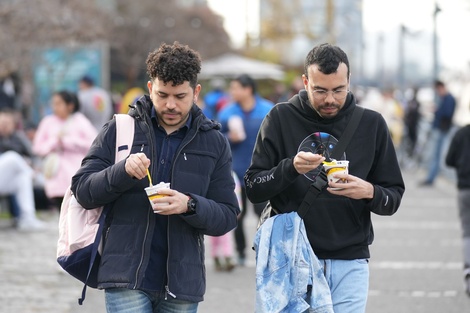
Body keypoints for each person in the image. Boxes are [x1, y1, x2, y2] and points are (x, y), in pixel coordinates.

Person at [71, 42, 239, 313]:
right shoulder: (120, 129)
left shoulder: (214, 142)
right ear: (150, 88)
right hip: (125, 277)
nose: (170, 104)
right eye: (162, 95)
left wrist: (189, 205)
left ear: (195, 92)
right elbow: (82, 191)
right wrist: (122, 171)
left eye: (180, 96)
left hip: (183, 284)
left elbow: (228, 215)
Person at [245, 43, 405, 312]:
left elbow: (394, 197)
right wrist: (290, 168)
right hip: (292, 257)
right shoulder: (280, 117)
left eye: (338, 90)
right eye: (320, 90)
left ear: (349, 82)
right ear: (305, 82)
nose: (330, 99)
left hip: (350, 260)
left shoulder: (372, 124)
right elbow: (253, 188)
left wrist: (369, 191)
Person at [217, 74, 273, 266]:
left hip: (262, 173)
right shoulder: (226, 112)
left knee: (264, 215)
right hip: (235, 172)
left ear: (248, 89)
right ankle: (240, 252)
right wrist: (228, 137)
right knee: (237, 215)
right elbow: (215, 139)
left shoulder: (268, 110)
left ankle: (264, 251)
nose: (232, 92)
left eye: (235, 88)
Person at [32, 91, 97, 209]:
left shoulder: (80, 120)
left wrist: (69, 142)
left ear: (70, 105)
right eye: (53, 104)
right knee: (60, 209)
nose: (55, 107)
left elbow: (94, 143)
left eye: (59, 103)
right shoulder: (48, 122)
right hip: (55, 174)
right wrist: (54, 142)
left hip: (77, 172)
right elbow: (37, 147)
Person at [0, 109, 45, 231]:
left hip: (6, 179)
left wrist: (29, 163)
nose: (4, 125)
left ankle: (27, 219)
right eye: (2, 122)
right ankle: (40, 180)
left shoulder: (18, 138)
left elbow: (33, 155)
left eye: (7, 122)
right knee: (12, 157)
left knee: (22, 179)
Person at [445, 119, 470, 297]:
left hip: (464, 189)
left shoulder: (460, 133)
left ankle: (468, 270)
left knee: (467, 232)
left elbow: (449, 160)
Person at [420, 80, 456, 186]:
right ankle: (431, 176)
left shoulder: (449, 99)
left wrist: (436, 111)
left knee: (436, 154)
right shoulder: (446, 99)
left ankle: (431, 177)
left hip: (441, 129)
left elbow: (447, 114)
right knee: (435, 154)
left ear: (441, 88)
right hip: (441, 129)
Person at [404, 87, 421, 158]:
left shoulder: (414, 103)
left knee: (412, 140)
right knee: (410, 140)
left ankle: (411, 153)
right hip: (411, 124)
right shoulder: (412, 102)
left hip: (413, 124)